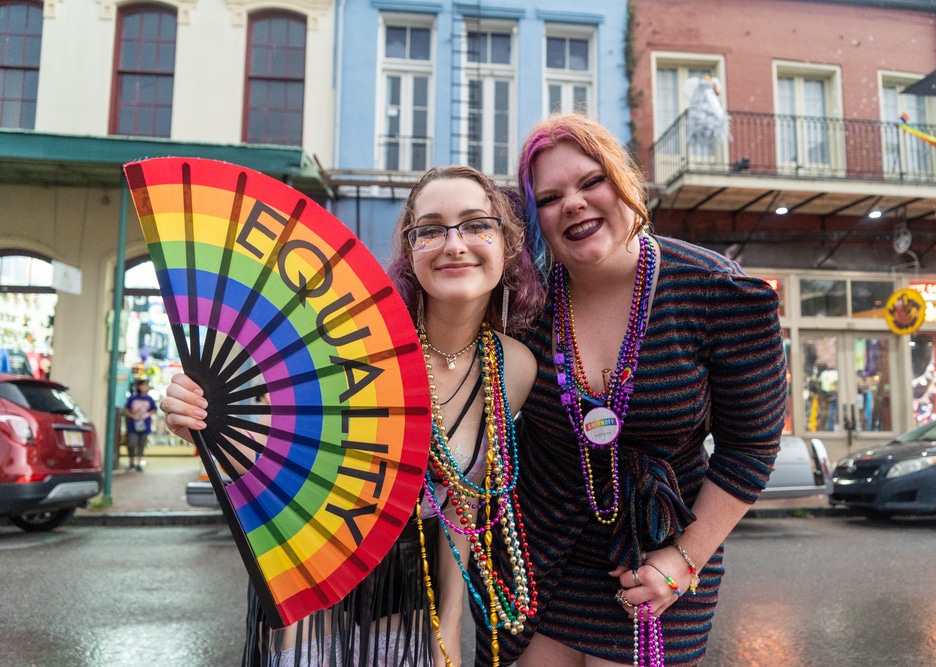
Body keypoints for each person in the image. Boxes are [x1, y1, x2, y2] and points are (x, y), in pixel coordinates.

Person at [160, 165, 545, 667]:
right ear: (411, 254)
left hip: (406, 604)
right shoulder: (354, 345)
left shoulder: (513, 366)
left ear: (507, 244)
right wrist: (196, 415)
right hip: (308, 599)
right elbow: (277, 467)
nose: (455, 244)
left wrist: (447, 628)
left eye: (477, 225)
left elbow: (462, 505)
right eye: (430, 229)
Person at [476, 114, 787, 666]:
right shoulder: (521, 305)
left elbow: (750, 448)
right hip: (534, 554)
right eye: (549, 197)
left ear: (624, 180)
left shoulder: (719, 292)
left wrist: (683, 561)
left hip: (657, 552)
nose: (573, 203)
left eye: (590, 182)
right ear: (535, 220)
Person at [123, 378, 157, 471]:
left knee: (141, 443)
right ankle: (131, 462)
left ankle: (138, 463)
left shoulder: (150, 399)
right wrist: (132, 415)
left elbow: (154, 410)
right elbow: (126, 409)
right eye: (143, 385)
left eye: (146, 385)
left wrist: (147, 414)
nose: (144, 387)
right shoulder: (133, 398)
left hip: (144, 425)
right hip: (133, 425)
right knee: (131, 443)